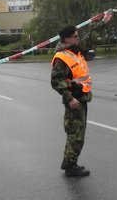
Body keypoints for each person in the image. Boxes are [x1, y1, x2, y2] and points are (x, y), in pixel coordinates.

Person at [51, 25, 93, 177]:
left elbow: (90, 36)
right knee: (75, 134)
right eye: (75, 36)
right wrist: (69, 98)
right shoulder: (62, 57)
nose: (78, 38)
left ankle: (69, 162)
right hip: (74, 100)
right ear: (66, 39)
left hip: (81, 98)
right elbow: (56, 80)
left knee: (78, 134)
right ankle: (70, 166)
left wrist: (104, 22)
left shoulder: (74, 51)